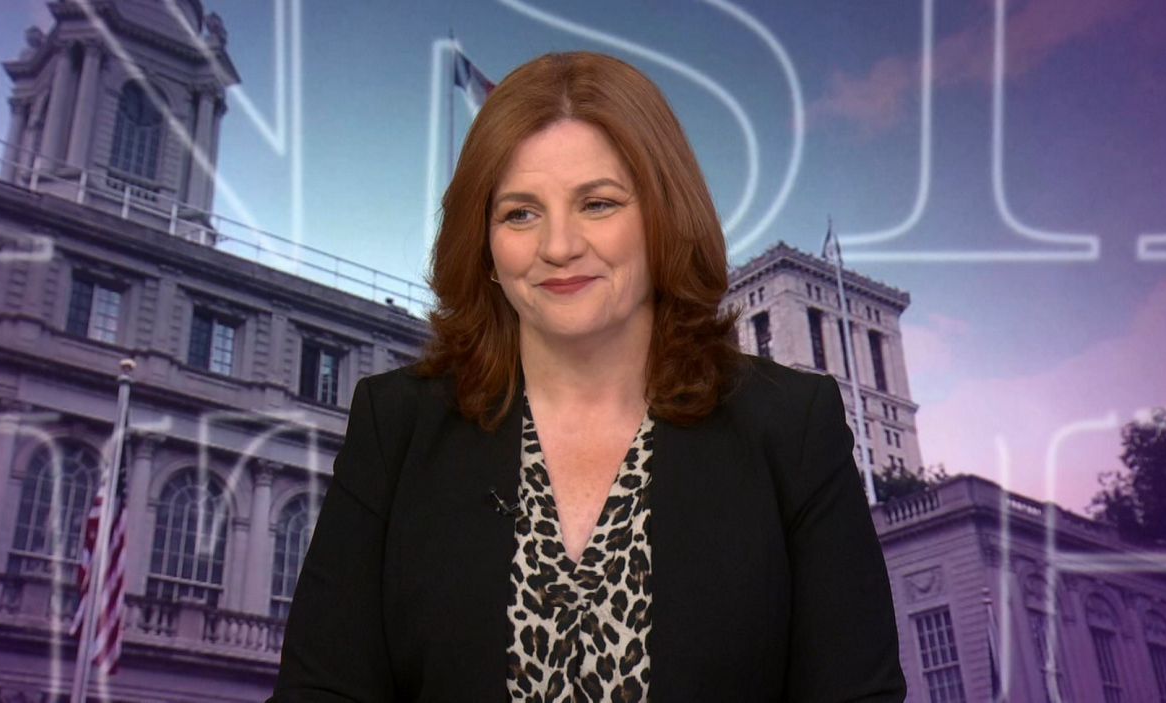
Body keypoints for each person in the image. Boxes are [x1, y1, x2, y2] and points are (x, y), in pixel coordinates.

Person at [270, 51, 905, 702]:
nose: (559, 246)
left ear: (664, 218)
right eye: (520, 213)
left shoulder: (792, 427)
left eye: (598, 204)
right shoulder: (395, 426)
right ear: (484, 245)